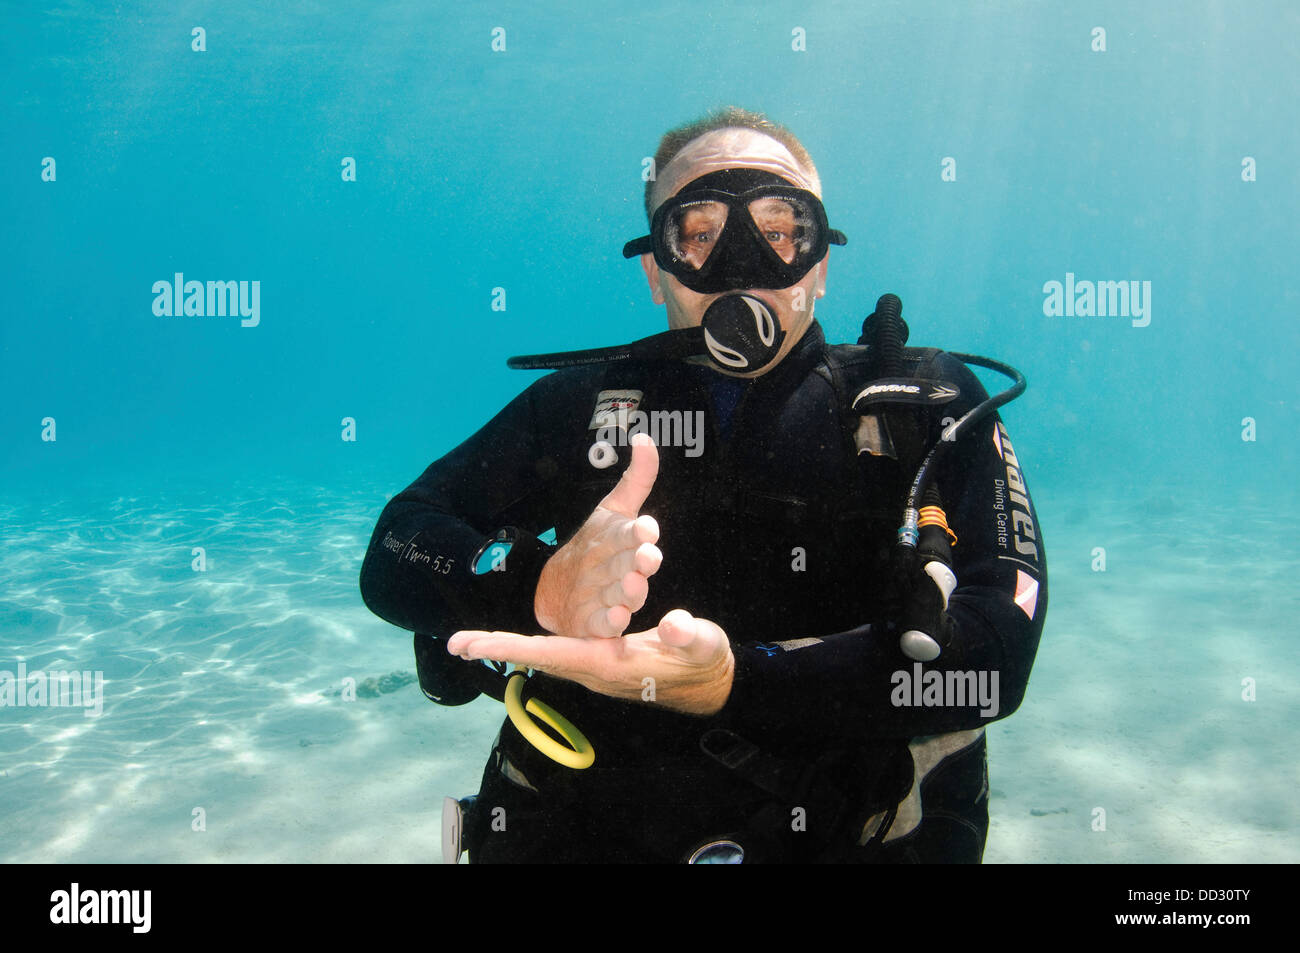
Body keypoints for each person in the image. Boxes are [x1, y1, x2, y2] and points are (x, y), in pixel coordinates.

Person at [358, 107, 1047, 863]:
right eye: (700, 232)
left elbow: (996, 658)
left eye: (781, 229)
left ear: (819, 264)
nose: (743, 262)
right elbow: (398, 542)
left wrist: (735, 683)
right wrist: (538, 587)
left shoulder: (927, 407)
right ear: (658, 271)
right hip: (590, 826)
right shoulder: (580, 410)